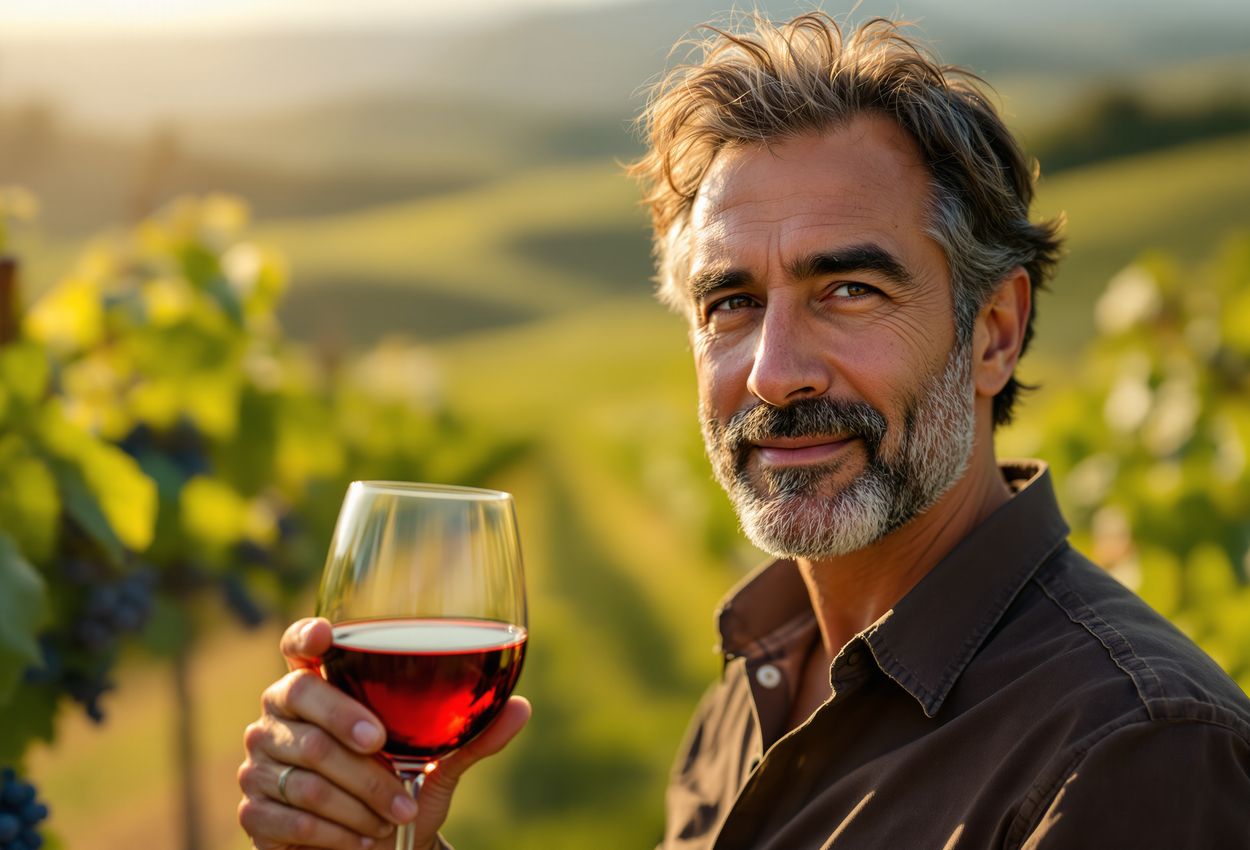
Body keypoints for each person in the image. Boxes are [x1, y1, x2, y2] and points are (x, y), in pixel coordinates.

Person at [237, 13, 1250, 849]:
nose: (772, 371)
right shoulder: (758, 682)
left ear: (992, 332)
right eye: (728, 304)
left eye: (846, 289)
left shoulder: (1129, 755)